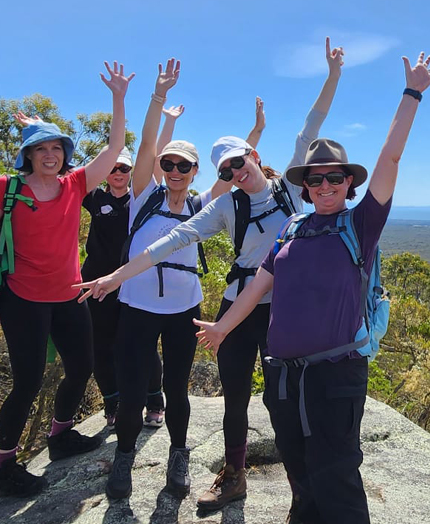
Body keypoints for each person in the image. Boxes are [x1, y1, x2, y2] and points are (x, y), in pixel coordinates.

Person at [75, 37, 345, 511]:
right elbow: (169, 242)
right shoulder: (223, 206)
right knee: (235, 397)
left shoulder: (294, 192)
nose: (237, 172)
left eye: (240, 162)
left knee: (286, 401)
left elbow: (311, 126)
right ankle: (234, 475)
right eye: (228, 169)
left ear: (254, 158)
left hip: (287, 309)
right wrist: (116, 277)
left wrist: (333, 76)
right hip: (238, 307)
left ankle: (304, 492)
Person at [194, 52, 430, 523]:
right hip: (285, 377)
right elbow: (256, 288)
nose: (324, 184)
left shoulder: (360, 224)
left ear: (349, 183)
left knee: (338, 480)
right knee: (302, 477)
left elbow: (391, 156)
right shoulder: (291, 230)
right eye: (315, 179)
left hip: (336, 376)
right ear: (304, 187)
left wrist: (412, 93)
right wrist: (223, 328)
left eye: (334, 177)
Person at [81, 59, 266, 500]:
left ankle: (178, 457)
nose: (175, 170)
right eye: (170, 163)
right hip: (137, 307)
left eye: (184, 165)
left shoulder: (204, 204)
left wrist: (255, 132)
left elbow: (239, 169)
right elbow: (145, 144)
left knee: (177, 392)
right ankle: (124, 459)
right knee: (130, 392)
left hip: (183, 310)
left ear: (197, 171)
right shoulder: (144, 195)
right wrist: (157, 97)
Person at [0, 61, 134, 498]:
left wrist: (118, 98)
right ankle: (4, 463)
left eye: (57, 148)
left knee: (82, 368)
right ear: (28, 156)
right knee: (28, 380)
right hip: (23, 298)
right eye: (41, 149)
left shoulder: (75, 185)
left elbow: (115, 148)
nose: (50, 155)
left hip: (70, 296)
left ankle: (59, 438)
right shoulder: (8, 188)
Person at [82, 105, 192, 430]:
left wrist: (168, 122)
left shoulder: (142, 198)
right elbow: (68, 179)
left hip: (134, 282)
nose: (117, 172)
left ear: (131, 171)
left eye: (123, 168)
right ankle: (112, 405)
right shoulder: (94, 197)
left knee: (143, 346)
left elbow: (156, 156)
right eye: (113, 167)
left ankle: (154, 400)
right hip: (98, 282)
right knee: (102, 346)